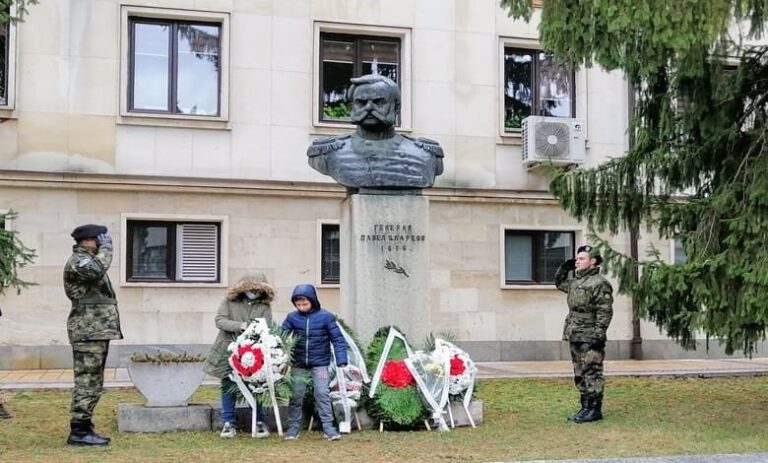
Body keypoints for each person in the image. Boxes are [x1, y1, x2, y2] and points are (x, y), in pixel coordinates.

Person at [307, 74, 444, 190]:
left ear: (396, 107)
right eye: (361, 102)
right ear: (351, 107)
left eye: (379, 102)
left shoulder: (425, 154)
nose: (369, 108)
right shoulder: (328, 153)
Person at [63, 224, 123, 445]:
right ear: (88, 241)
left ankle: (84, 426)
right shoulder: (79, 261)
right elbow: (97, 269)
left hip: (95, 329)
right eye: (99, 240)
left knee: (93, 380)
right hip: (88, 330)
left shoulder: (87, 259)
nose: (102, 243)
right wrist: (107, 249)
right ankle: (78, 432)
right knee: (87, 380)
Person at [204, 272, 275, 439]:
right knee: (229, 386)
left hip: (253, 352)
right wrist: (241, 326)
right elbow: (220, 320)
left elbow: (268, 325)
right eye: (251, 289)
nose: (254, 292)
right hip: (227, 350)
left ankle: (258, 421)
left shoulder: (264, 306)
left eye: (258, 290)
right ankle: (228, 422)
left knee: (256, 386)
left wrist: (258, 332)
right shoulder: (229, 301)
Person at [555, 244, 614, 423]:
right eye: (577, 259)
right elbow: (559, 283)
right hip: (575, 332)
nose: (577, 262)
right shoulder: (576, 282)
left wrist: (598, 334)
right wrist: (566, 266)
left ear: (593, 261)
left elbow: (605, 312)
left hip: (590, 333)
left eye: (581, 259)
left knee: (592, 371)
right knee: (579, 372)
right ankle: (585, 406)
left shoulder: (600, 283)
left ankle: (595, 409)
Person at [281, 284, 348, 441]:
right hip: (298, 364)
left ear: (313, 301)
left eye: (305, 304)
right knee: (296, 395)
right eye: (298, 305)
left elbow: (338, 339)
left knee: (322, 393)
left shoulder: (326, 317)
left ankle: (329, 428)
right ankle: (293, 428)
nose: (302, 307)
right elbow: (281, 336)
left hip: (320, 364)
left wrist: (341, 359)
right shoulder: (292, 318)